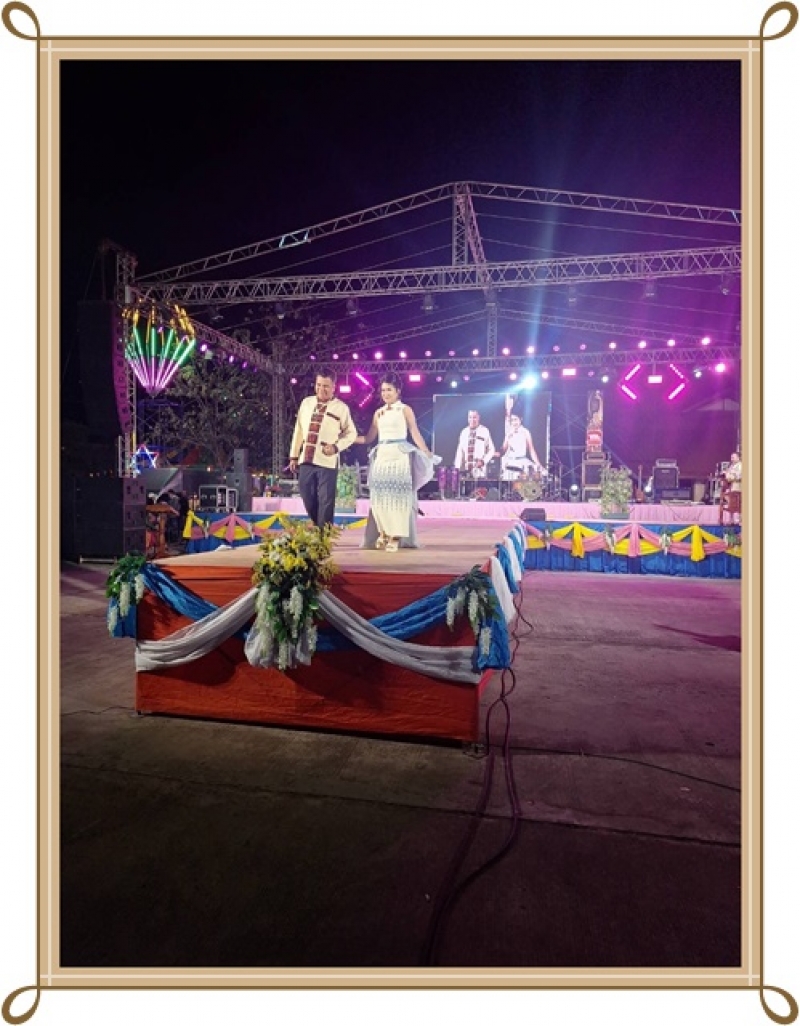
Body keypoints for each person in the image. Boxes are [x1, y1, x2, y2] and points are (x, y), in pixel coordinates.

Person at [355, 372, 436, 552]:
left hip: (399, 456)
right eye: (383, 390)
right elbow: (369, 438)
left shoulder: (405, 410)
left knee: (398, 498)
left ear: (398, 391)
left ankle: (395, 536)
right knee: (379, 498)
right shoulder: (378, 413)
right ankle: (383, 532)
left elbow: (414, 432)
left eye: (389, 390)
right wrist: (347, 439)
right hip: (381, 457)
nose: (385, 393)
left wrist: (425, 451)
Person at [288, 370, 358, 529]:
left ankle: (323, 534)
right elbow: (299, 430)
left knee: (326, 500)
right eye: (318, 385)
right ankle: (318, 525)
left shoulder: (341, 408)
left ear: (334, 387)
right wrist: (293, 456)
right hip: (306, 458)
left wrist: (336, 447)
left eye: (326, 386)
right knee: (306, 493)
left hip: (327, 461)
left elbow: (351, 433)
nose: (321, 389)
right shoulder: (306, 403)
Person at [499, 394, 544, 482]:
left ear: (521, 420)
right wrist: (507, 438)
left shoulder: (525, 432)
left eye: (516, 420)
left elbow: (531, 450)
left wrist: (539, 465)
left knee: (535, 475)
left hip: (522, 461)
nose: (514, 422)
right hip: (511, 462)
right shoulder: (509, 430)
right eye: (512, 420)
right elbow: (503, 450)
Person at [453, 409, 496, 480]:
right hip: (465, 473)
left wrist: (483, 461)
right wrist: (457, 469)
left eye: (474, 417)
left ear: (478, 417)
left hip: (479, 472)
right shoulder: (464, 432)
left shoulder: (484, 431)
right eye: (470, 417)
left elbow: (492, 450)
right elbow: (459, 452)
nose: (472, 420)